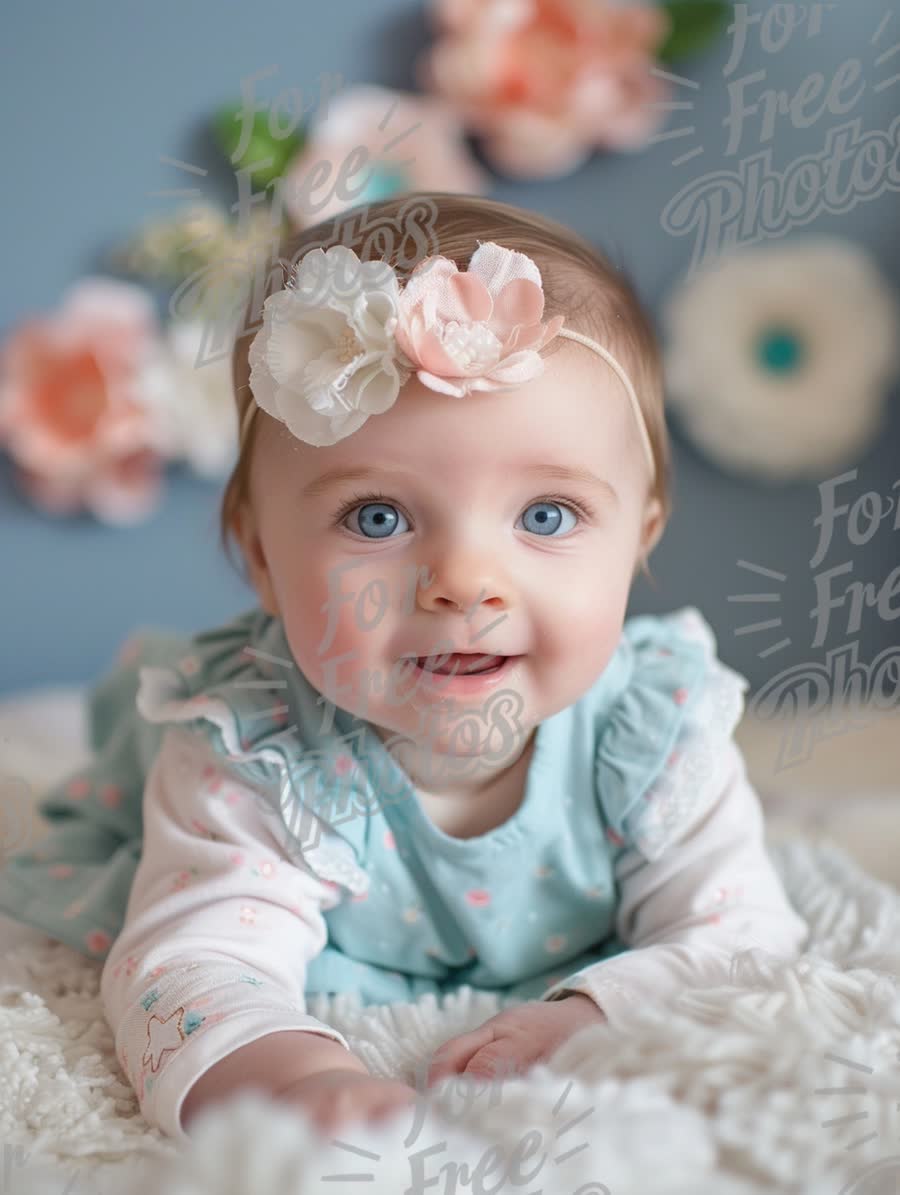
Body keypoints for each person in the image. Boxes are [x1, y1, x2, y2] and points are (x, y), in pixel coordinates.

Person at [0, 192, 809, 1143]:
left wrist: (595, 1016)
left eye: (546, 515)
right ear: (258, 554)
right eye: (376, 517)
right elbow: (190, 962)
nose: (464, 583)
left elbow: (742, 939)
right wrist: (292, 1076)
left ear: (639, 537)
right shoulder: (256, 749)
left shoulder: (656, 731)